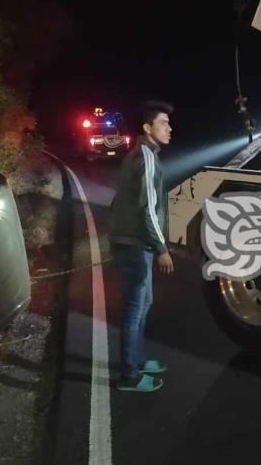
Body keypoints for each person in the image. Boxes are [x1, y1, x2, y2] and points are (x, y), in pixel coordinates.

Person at [108, 100, 174, 392]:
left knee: (143, 303)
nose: (169, 128)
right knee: (135, 308)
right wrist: (162, 248)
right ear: (148, 128)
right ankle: (129, 376)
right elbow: (148, 208)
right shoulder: (145, 156)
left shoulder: (141, 153)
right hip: (135, 244)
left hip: (131, 241)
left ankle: (135, 359)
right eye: (163, 123)